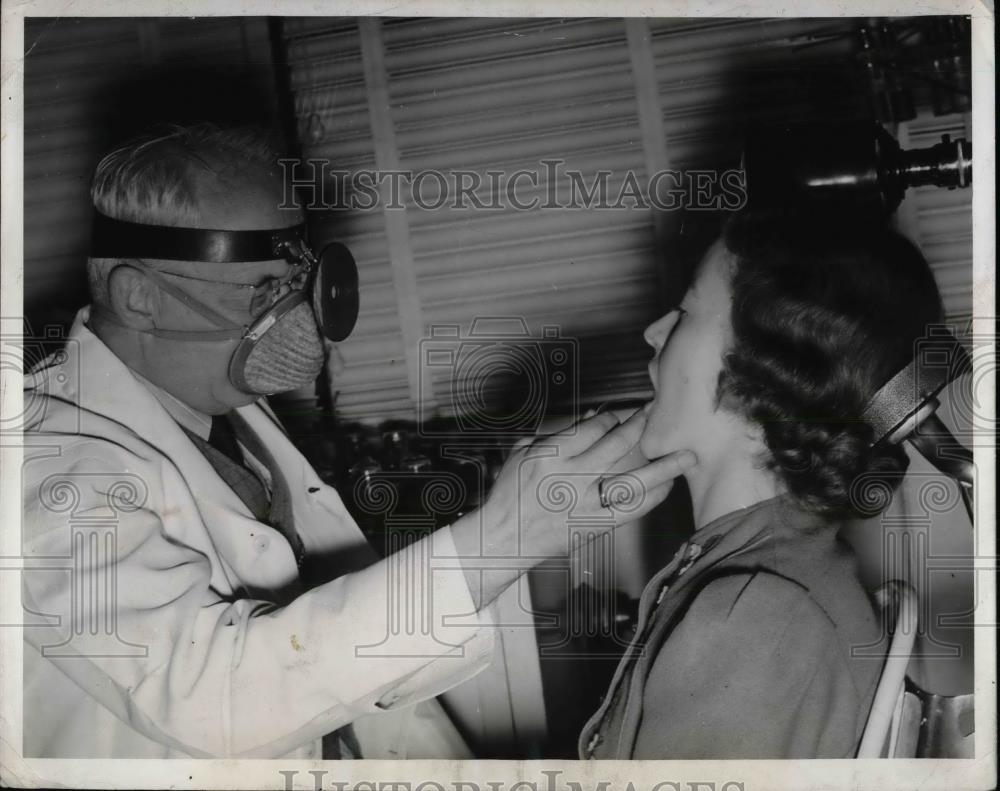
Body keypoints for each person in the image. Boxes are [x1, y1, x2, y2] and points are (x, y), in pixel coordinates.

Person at [20, 123, 695, 759]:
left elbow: (334, 658)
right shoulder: (41, 459)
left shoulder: (226, 409)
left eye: (297, 282)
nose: (295, 316)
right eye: (262, 288)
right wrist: (504, 538)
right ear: (140, 297)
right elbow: (210, 695)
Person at [579, 211, 944, 759]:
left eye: (685, 312)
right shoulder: (775, 576)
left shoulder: (749, 620)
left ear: (760, 375)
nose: (653, 333)